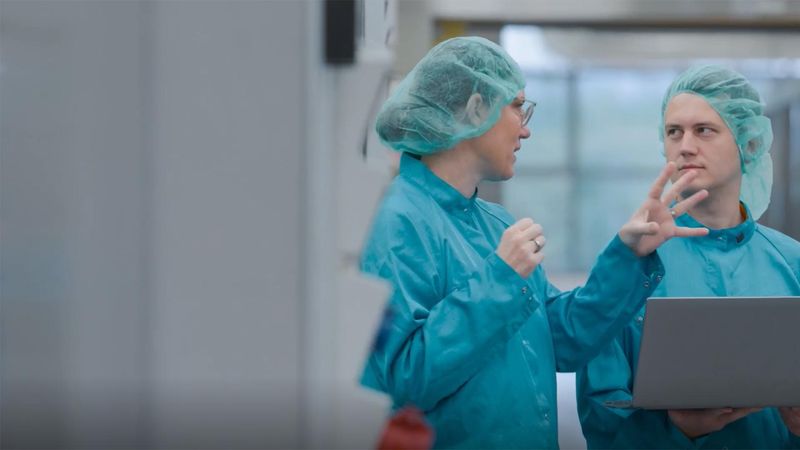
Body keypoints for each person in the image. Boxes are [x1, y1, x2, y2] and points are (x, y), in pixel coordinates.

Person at [358, 36, 708, 449]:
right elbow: (402, 381)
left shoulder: (494, 224)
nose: (525, 129)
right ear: (476, 108)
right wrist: (500, 279)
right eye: (517, 106)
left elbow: (559, 339)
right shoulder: (396, 221)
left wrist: (628, 255)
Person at [576, 64, 800, 449]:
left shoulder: (791, 260)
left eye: (704, 130)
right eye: (673, 132)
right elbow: (600, 415)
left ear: (748, 143)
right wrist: (679, 431)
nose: (685, 146)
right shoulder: (632, 263)